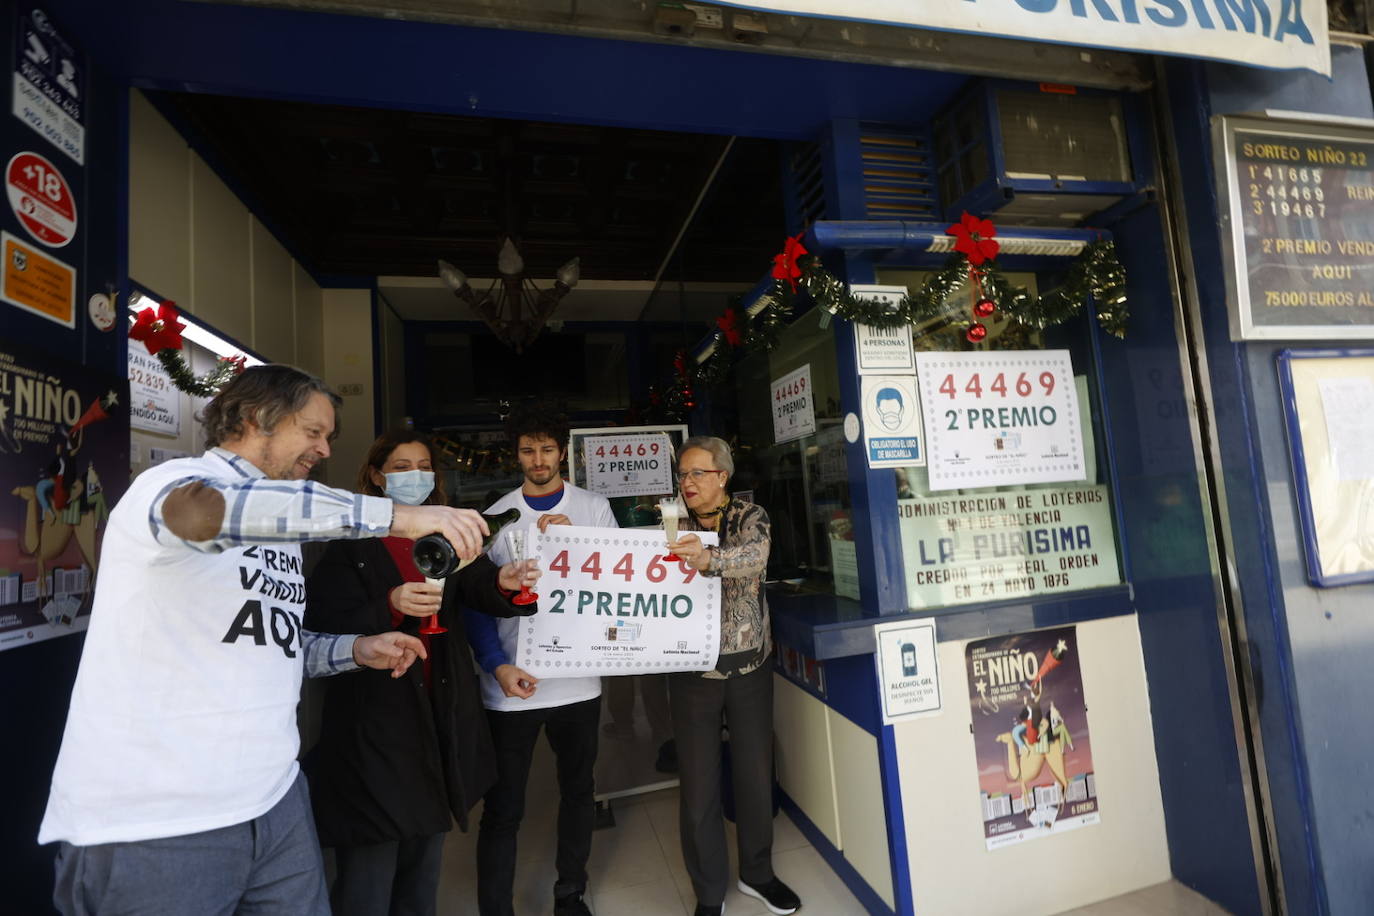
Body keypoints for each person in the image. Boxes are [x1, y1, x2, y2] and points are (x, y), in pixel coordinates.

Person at [38, 364, 495, 916]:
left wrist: (354, 649)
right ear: (257, 418)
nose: (324, 449)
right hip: (157, 822)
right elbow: (212, 512)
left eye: (329, 437)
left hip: (276, 801)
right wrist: (398, 517)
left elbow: (280, 646)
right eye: (313, 432)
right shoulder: (170, 486)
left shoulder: (286, 532)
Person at [303, 429, 542, 916]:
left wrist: (503, 581)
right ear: (376, 475)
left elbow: (475, 588)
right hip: (375, 720)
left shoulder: (445, 536)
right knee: (371, 864)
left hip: (439, 712)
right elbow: (319, 627)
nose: (416, 476)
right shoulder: (350, 544)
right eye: (402, 467)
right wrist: (387, 604)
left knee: (424, 857)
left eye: (423, 466)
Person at [463, 405, 617, 916]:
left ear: (562, 452)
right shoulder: (498, 516)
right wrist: (493, 663)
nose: (538, 460)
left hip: (577, 681)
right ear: (517, 455)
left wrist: (577, 540)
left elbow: (616, 586)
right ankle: (496, 908)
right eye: (528, 450)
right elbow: (475, 599)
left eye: (546, 449)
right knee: (503, 807)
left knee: (579, 791)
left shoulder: (593, 507)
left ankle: (569, 893)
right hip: (513, 679)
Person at [667, 436, 801, 916]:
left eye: (697, 473)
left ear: (722, 477)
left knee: (753, 774)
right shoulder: (671, 523)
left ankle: (758, 874)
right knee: (699, 786)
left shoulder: (750, 516)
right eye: (682, 474)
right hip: (690, 672)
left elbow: (755, 558)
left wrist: (710, 560)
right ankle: (708, 893)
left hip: (748, 667)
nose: (687, 483)